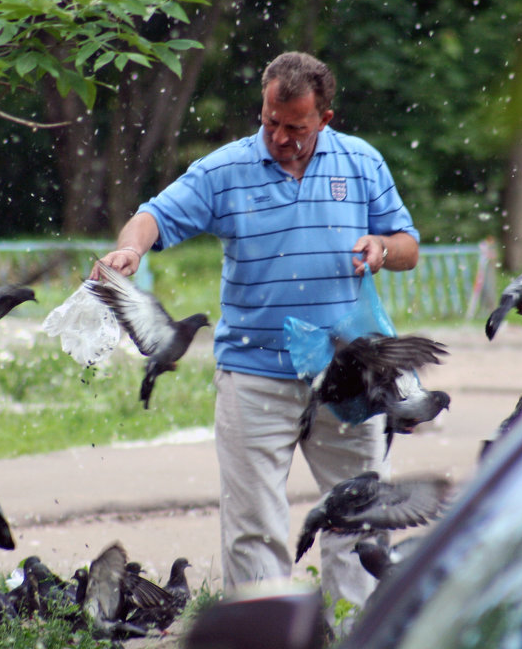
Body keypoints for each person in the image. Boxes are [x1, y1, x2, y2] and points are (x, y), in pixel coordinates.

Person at [96, 51, 420, 617]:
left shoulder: (362, 163)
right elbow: (153, 215)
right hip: (254, 378)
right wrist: (130, 246)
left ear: (326, 118)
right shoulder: (226, 170)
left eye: (295, 126)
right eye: (270, 120)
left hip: (347, 380)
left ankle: (355, 634)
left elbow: (408, 246)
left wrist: (382, 249)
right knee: (254, 531)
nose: (279, 136)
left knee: (360, 524)